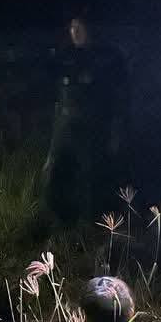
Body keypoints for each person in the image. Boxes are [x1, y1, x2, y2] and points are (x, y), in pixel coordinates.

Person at [41, 17, 129, 222]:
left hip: (92, 129)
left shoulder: (106, 58)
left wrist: (115, 131)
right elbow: (55, 92)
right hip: (66, 127)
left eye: (80, 27)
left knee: (90, 178)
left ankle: (91, 223)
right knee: (54, 173)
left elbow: (117, 98)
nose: (76, 32)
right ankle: (56, 219)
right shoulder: (65, 56)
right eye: (72, 27)